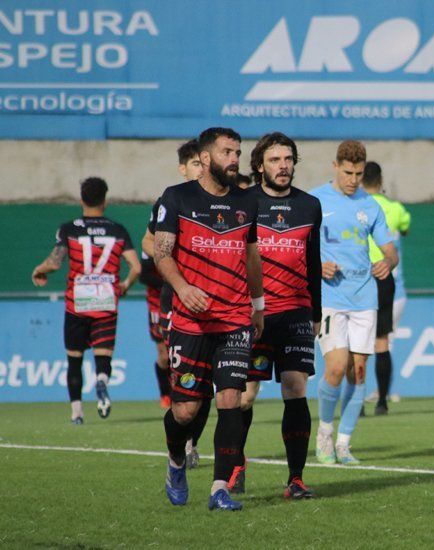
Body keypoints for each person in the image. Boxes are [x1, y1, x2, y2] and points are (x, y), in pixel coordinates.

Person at [154, 127, 264, 511]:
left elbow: (251, 256)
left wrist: (258, 304)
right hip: (190, 321)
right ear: (204, 159)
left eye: (238, 152)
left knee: (231, 400)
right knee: (186, 410)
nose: (235, 159)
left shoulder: (247, 202)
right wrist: (183, 288)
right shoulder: (176, 197)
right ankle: (175, 461)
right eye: (227, 152)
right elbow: (162, 253)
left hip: (234, 318)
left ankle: (220, 488)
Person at [229, 132, 322, 499]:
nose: (283, 166)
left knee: (295, 387)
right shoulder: (242, 202)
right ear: (259, 166)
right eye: (275, 160)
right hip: (254, 314)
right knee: (245, 396)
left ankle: (295, 478)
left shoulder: (309, 205)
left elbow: (313, 261)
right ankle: (235, 463)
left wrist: (316, 311)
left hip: (297, 311)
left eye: (288, 159)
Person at [310, 140, 398, 465]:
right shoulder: (316, 200)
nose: (353, 180)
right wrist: (318, 265)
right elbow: (299, 246)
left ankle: (344, 444)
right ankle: (325, 432)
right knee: (335, 368)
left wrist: (388, 261)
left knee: (358, 373)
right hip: (330, 297)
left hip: (364, 298)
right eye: (348, 172)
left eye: (359, 174)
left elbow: (390, 250)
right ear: (335, 166)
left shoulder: (370, 205)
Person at [32, 177, 140, 423]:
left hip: (77, 304)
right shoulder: (118, 229)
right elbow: (135, 266)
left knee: (74, 360)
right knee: (103, 357)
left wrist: (38, 270)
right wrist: (125, 284)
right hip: (106, 300)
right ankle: (101, 381)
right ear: (105, 200)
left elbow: (54, 262)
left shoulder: (69, 228)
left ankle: (77, 413)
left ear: (81, 199)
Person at [142, 140, 210, 468]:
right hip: (177, 298)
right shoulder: (170, 200)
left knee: (208, 379)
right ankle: (179, 438)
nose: (201, 168)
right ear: (183, 168)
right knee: (178, 368)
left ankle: (192, 444)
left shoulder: (221, 201)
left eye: (204, 162)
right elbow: (148, 240)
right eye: (195, 163)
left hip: (215, 301)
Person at [361, 161, 411, 415]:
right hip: (387, 279)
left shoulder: (355, 204)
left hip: (358, 278)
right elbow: (406, 228)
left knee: (355, 343)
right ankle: (382, 402)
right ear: (380, 181)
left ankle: (356, 402)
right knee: (382, 341)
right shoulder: (394, 208)